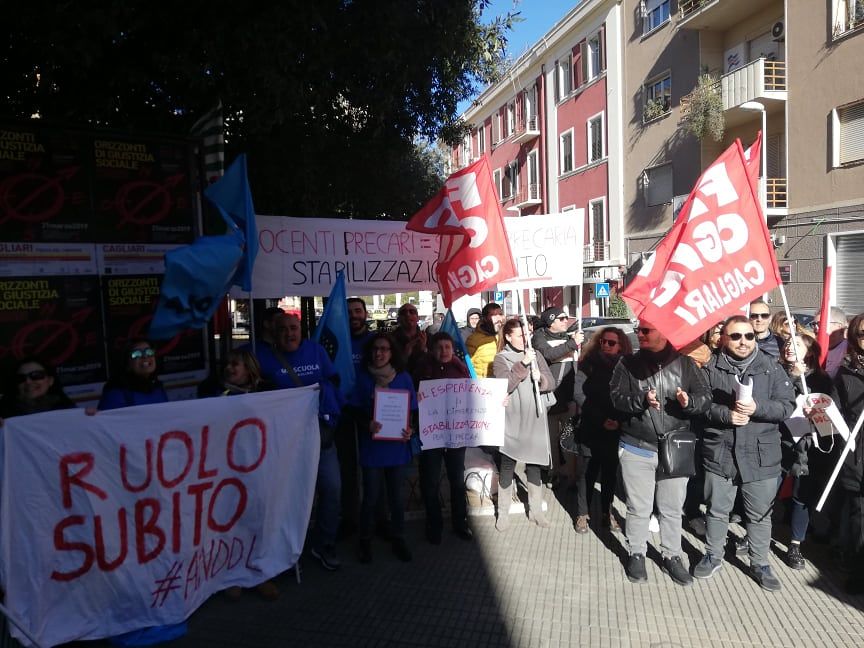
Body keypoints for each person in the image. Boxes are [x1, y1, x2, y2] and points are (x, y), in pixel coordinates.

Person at [695, 315, 796, 592]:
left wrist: (757, 409)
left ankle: (760, 562)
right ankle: (713, 555)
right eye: (736, 336)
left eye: (749, 336)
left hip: (761, 456)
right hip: (721, 453)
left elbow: (787, 407)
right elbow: (701, 407)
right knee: (717, 511)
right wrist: (726, 415)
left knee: (760, 515)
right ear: (724, 338)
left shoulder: (771, 368)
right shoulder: (710, 368)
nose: (743, 341)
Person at [609, 321, 711, 586]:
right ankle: (636, 553)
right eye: (639, 330)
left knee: (671, 507)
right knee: (638, 507)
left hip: (676, 447)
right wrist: (640, 400)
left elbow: (705, 397)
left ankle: (672, 556)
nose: (639, 335)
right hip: (637, 445)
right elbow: (616, 398)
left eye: (646, 331)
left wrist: (689, 403)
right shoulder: (627, 364)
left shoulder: (685, 364)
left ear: (664, 332)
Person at [255, 313, 344, 571]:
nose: (289, 333)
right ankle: (286, 547)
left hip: (320, 439)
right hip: (285, 444)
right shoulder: (262, 357)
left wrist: (321, 393)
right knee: (287, 496)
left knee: (332, 490)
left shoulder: (315, 351)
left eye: (293, 328)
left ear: (301, 330)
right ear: (273, 332)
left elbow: (334, 380)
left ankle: (324, 543)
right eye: (283, 329)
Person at [196, 349, 280, 600]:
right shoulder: (214, 394)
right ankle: (232, 574)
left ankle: (260, 573)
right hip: (227, 468)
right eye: (228, 364)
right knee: (230, 521)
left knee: (258, 519)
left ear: (249, 370)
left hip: (259, 467)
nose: (230, 369)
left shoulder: (267, 394)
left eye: (236, 365)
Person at [348, 333, 417, 563]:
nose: (379, 353)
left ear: (392, 353)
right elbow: (353, 409)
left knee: (397, 498)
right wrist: (366, 422)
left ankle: (398, 537)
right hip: (372, 448)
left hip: (397, 447)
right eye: (376, 349)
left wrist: (411, 429)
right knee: (370, 497)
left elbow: (413, 410)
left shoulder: (404, 378)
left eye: (385, 349)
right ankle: (365, 540)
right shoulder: (362, 378)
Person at [778, 333, 835, 571]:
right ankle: (753, 534)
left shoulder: (822, 381)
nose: (790, 347)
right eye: (788, 343)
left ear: (810, 352)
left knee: (802, 495)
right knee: (769, 489)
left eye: (797, 344)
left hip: (807, 447)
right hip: (779, 441)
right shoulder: (776, 373)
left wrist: (817, 416)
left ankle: (795, 544)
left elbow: (829, 423)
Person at [492, 318, 555, 531]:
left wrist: (541, 380)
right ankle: (503, 513)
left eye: (526, 335)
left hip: (535, 416)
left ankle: (536, 511)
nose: (525, 339)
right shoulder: (501, 358)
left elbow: (550, 382)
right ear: (508, 337)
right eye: (520, 336)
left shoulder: (536, 354)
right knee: (507, 465)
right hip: (512, 418)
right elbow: (504, 385)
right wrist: (523, 365)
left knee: (535, 465)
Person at [413, 332, 473, 543]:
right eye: (439, 347)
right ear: (432, 349)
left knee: (457, 481)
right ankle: (434, 523)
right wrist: (415, 397)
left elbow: (476, 395)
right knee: (430, 482)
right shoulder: (422, 368)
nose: (444, 351)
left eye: (447, 347)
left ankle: (460, 522)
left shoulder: (462, 369)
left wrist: (496, 402)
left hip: (456, 435)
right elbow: (411, 395)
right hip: (431, 436)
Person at [573, 327, 632, 532]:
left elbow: (630, 398)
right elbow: (579, 395)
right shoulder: (588, 364)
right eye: (603, 341)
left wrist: (619, 421)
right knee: (586, 474)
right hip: (591, 426)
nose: (606, 345)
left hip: (615, 428)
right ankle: (582, 514)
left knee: (609, 474)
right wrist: (601, 419)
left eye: (611, 343)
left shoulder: (627, 368)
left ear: (621, 346)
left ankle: (607, 512)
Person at [532, 307, 585, 494]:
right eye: (561, 318)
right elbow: (547, 355)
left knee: (569, 439)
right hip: (550, 399)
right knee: (552, 440)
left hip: (570, 398)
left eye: (566, 318)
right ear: (551, 322)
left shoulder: (572, 336)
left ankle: (571, 476)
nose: (565, 321)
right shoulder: (539, 338)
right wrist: (571, 345)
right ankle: (554, 472)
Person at [339, 297, 377, 535]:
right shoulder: (335, 340)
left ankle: (374, 518)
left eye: (357, 311)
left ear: (365, 313)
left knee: (374, 468)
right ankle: (349, 520)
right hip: (343, 412)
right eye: (349, 311)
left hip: (371, 411)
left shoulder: (376, 341)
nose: (354, 315)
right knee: (347, 469)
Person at [835, 312, 864, 594]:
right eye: (863, 334)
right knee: (859, 517)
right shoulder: (846, 372)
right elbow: (836, 413)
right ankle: (858, 570)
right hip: (858, 455)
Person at [98, 339, 169, 410]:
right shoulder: (115, 394)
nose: (145, 356)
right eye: (137, 354)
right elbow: (103, 419)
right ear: (127, 364)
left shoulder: (158, 387)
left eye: (149, 352)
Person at [0, 357, 75, 420]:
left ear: (50, 381)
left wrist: (85, 418)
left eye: (36, 375)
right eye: (21, 378)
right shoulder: (4, 412)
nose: (28, 382)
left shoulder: (68, 410)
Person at [466, 302, 505, 377]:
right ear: (485, 318)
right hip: (483, 385)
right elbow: (467, 366)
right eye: (494, 315)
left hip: (503, 383)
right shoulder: (473, 339)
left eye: (500, 314)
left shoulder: (506, 336)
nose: (499, 319)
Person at [392, 303, 427, 373]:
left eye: (412, 312)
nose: (408, 314)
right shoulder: (390, 340)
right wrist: (404, 356)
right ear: (398, 319)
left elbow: (435, 364)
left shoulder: (429, 337)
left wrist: (424, 350)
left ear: (418, 318)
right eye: (403, 312)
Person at [816, 306, 849, 378]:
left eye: (821, 324)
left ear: (839, 327)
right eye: (814, 324)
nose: (816, 328)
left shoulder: (852, 351)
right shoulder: (812, 350)